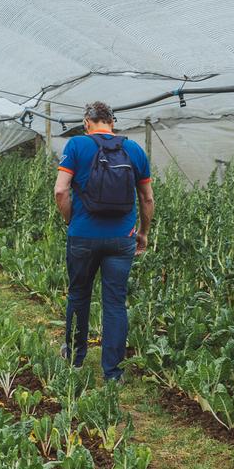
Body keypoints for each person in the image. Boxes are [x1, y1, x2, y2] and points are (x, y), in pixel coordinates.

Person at [53, 101, 154, 382]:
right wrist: (142, 233)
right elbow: (147, 198)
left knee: (78, 295)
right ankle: (113, 372)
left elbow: (61, 191)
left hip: (83, 236)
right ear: (112, 122)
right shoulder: (133, 149)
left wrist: (71, 220)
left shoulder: (76, 146)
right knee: (114, 303)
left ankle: (75, 357)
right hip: (122, 239)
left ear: (87, 122)